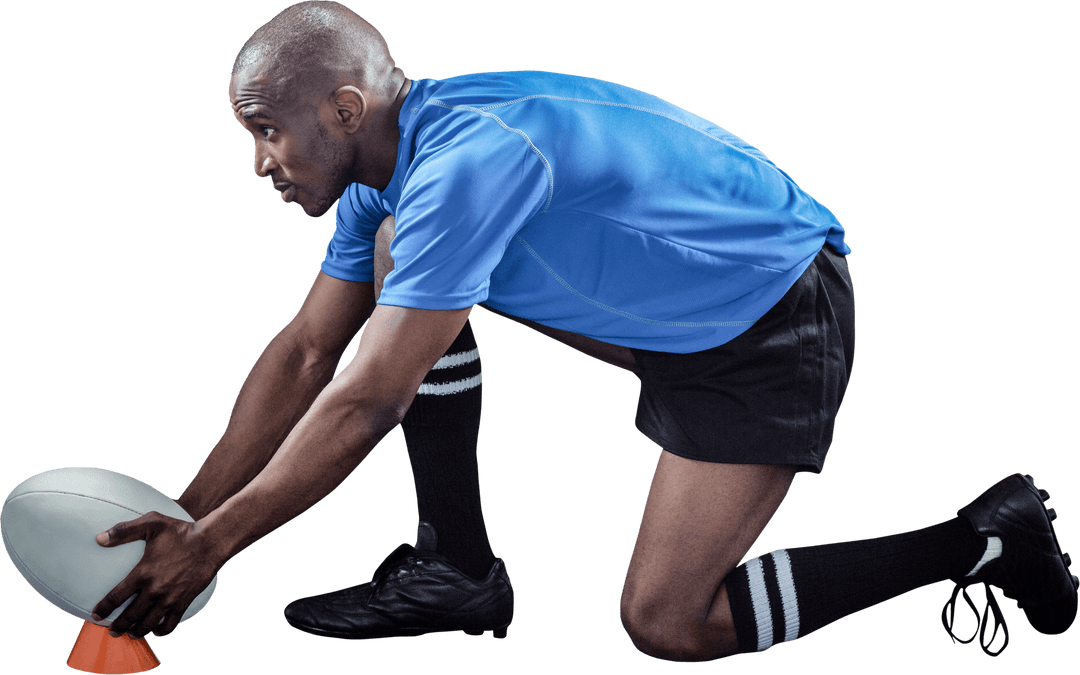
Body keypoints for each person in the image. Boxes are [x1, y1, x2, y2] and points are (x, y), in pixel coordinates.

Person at [91, 1, 1077, 661]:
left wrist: (214, 548)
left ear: (343, 109)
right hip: (684, 309)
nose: (259, 162)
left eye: (266, 129)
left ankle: (981, 541)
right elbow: (309, 353)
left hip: (774, 316)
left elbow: (371, 397)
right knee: (400, 264)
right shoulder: (388, 174)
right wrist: (183, 516)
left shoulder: (468, 166)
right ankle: (456, 571)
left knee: (667, 620)